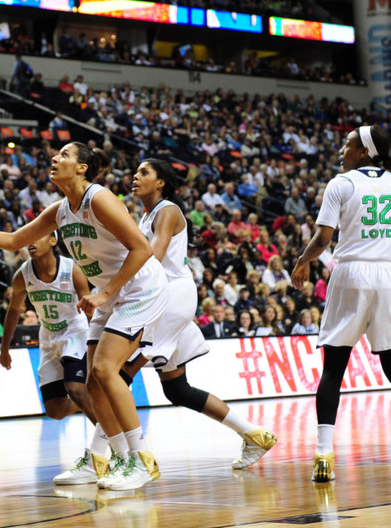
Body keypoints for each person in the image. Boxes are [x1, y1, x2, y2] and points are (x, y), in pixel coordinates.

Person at [0, 141, 168, 491]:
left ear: (81, 168)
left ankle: (142, 460)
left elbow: (143, 248)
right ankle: (115, 459)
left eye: (64, 155)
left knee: (105, 369)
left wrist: (105, 291)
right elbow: (15, 240)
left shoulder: (99, 198)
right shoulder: (60, 210)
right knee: (92, 384)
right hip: (109, 296)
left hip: (140, 289)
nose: (54, 159)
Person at [291, 125, 391, 482]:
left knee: (334, 367)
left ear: (364, 151)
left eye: (347, 143)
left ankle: (323, 453)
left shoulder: (341, 183)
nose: (341, 149)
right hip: (390, 276)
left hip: (351, 274)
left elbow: (322, 239)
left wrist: (301, 262)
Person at [118, 159, 276, 470]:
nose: (135, 177)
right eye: (135, 172)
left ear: (161, 182)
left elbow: (155, 255)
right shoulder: (148, 214)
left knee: (117, 374)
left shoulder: (168, 210)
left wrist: (115, 288)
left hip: (168, 296)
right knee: (177, 389)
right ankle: (253, 434)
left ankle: (115, 457)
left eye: (144, 173)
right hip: (165, 295)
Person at [2, 233, 100, 485]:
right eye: (27, 240)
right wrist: (5, 348)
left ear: (53, 241)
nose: (30, 242)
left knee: (75, 388)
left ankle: (110, 441)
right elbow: (14, 311)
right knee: (55, 411)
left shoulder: (72, 269)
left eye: (38, 237)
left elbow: (90, 308)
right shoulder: (22, 275)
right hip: (47, 335)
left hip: (75, 330)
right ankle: (98, 403)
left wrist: (97, 343)